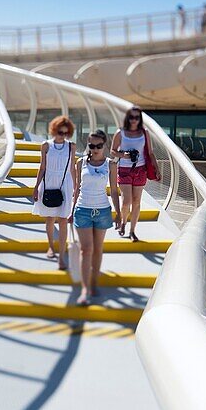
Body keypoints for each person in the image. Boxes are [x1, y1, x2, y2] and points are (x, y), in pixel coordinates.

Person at [71, 130, 121, 306]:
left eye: (99, 145)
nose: (95, 149)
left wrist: (119, 213)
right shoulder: (80, 162)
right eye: (92, 146)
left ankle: (93, 284)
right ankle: (85, 290)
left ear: (105, 145)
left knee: (98, 249)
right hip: (82, 210)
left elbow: (114, 191)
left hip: (102, 211)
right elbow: (77, 188)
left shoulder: (111, 165)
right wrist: (71, 210)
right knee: (86, 249)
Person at [32, 115, 79, 268]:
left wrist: (76, 186)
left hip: (65, 183)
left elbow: (72, 167)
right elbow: (42, 167)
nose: (62, 135)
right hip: (48, 183)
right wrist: (36, 187)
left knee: (64, 220)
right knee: (50, 219)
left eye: (65, 133)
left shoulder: (71, 146)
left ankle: (61, 257)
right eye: (60, 132)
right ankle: (51, 246)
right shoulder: (46, 145)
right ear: (54, 130)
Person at [111, 106, 160, 241]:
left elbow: (150, 152)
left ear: (140, 119)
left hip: (140, 169)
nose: (134, 120)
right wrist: (125, 155)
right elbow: (113, 151)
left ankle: (132, 231)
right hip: (125, 169)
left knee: (137, 201)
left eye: (137, 117)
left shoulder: (145, 133)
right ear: (128, 118)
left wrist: (157, 169)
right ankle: (123, 222)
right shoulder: (120, 132)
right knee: (126, 201)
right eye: (131, 117)